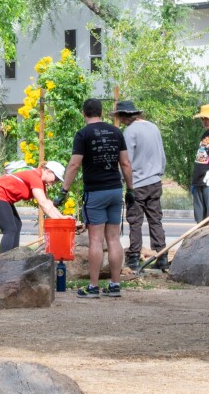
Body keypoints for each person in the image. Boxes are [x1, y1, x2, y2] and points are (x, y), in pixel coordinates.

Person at [53, 98, 133, 298]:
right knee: (114, 238)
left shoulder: (83, 134)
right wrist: (130, 190)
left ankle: (93, 286)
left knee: (96, 240)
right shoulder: (116, 132)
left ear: (84, 113)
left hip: (95, 192)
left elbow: (74, 165)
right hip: (115, 190)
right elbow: (125, 163)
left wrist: (64, 191)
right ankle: (115, 285)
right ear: (102, 112)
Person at [114, 101, 167, 271]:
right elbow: (162, 155)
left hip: (137, 183)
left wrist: (124, 182)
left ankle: (134, 258)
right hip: (155, 181)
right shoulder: (153, 127)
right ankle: (162, 255)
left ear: (124, 116)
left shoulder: (130, 132)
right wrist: (158, 173)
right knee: (155, 220)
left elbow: (126, 161)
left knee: (135, 221)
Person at [0, 161, 71, 253]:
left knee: (17, 225)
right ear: (48, 171)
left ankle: (13, 256)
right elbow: (43, 203)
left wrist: (61, 217)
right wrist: (59, 221)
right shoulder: (35, 177)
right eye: (56, 178)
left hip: (1, 197)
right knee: (10, 229)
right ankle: (4, 259)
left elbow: (48, 202)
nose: (55, 182)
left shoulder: (39, 179)